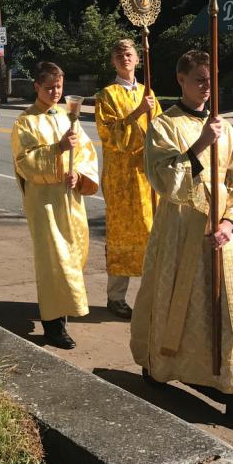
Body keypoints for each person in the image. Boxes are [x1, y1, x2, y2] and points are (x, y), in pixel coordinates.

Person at [130, 50, 233, 438]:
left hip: (221, 237)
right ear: (180, 79)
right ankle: (161, 368)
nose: (207, 86)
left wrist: (231, 223)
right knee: (178, 307)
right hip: (180, 234)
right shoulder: (164, 125)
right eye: (199, 79)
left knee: (227, 311)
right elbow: (163, 181)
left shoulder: (224, 127)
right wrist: (197, 147)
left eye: (211, 79)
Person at [12, 62, 99, 349]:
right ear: (36, 86)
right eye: (49, 87)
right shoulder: (25, 121)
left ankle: (62, 314)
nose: (55, 92)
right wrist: (57, 150)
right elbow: (24, 162)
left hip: (70, 200)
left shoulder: (67, 116)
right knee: (53, 261)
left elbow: (86, 151)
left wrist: (80, 173)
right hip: (45, 203)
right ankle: (53, 325)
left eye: (59, 87)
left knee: (73, 256)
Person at [95, 39, 162, 320]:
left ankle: (151, 296)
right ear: (113, 61)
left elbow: (159, 132)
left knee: (151, 234)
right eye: (119, 54)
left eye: (130, 54)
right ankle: (116, 297)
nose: (125, 58)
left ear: (138, 59)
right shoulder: (106, 95)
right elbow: (109, 136)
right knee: (122, 235)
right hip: (121, 179)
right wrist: (137, 113)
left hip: (146, 176)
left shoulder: (149, 94)